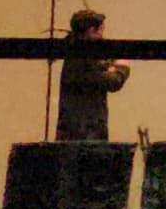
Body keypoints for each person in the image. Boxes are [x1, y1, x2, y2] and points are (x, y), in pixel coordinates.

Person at [53, 9, 128, 141]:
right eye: (101, 30)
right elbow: (113, 82)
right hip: (87, 131)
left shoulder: (72, 51)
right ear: (92, 31)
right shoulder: (85, 57)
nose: (102, 36)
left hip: (72, 129)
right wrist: (121, 67)